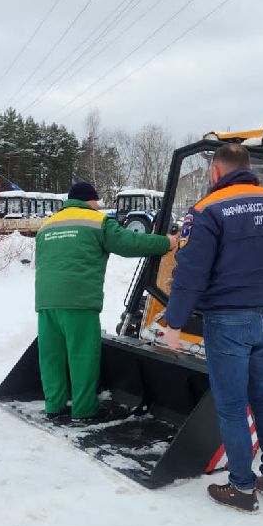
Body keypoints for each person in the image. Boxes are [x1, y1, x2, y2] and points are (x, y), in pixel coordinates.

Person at [162, 145, 263, 513]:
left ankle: (242, 488)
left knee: (231, 406)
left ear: (216, 171)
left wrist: (174, 322)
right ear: (251, 169)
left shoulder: (207, 210)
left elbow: (190, 273)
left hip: (228, 320)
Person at [35, 180, 178, 422]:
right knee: (82, 356)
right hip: (79, 301)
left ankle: (54, 406)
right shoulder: (97, 221)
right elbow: (129, 243)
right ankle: (83, 410)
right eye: (97, 201)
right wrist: (167, 242)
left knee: (52, 357)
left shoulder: (47, 225)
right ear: (89, 200)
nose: (98, 205)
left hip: (46, 301)